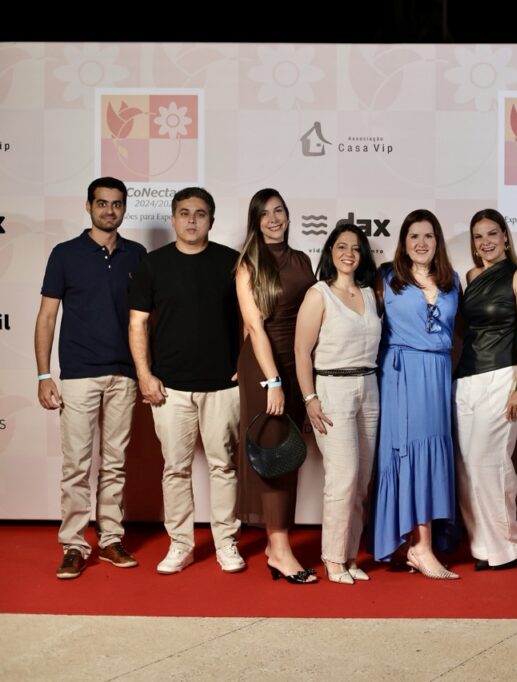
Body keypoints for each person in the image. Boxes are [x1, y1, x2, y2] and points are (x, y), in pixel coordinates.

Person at [128, 187, 245, 575]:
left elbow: (250, 320)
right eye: (184, 213)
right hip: (169, 386)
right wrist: (145, 375)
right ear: (173, 218)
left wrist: (244, 365)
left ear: (211, 220)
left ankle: (226, 542)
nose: (192, 220)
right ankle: (181, 544)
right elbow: (138, 323)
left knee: (223, 467)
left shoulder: (231, 262)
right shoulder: (152, 264)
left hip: (222, 385)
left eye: (200, 213)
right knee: (175, 468)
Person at [35, 176, 146, 579]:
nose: (109, 210)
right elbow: (47, 317)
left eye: (117, 204)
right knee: (77, 465)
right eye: (102, 203)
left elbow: (145, 320)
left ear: (124, 208)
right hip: (80, 373)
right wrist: (44, 374)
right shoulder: (65, 254)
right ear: (88, 206)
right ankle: (74, 544)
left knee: (115, 464)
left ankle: (111, 539)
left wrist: (146, 371)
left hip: (125, 374)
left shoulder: (137, 255)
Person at [372, 209, 461, 579]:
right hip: (402, 373)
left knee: (431, 452)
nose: (421, 243)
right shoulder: (386, 278)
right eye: (414, 236)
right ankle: (418, 547)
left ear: (437, 241)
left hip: (438, 373)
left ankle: (416, 544)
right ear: (403, 243)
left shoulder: (452, 280)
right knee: (406, 452)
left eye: (428, 236)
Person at [234, 188, 317, 584]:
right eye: (265, 213)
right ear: (256, 220)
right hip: (266, 368)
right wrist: (272, 381)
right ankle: (281, 550)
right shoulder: (248, 264)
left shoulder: (302, 260)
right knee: (271, 457)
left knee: (289, 454)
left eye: (279, 210)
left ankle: (275, 545)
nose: (273, 219)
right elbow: (253, 326)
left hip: (297, 364)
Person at [295, 223, 381, 585]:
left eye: (356, 248)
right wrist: (309, 398)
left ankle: (349, 555)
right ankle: (332, 559)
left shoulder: (370, 294)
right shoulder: (319, 294)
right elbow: (301, 351)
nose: (349, 253)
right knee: (342, 479)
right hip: (332, 388)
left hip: (369, 386)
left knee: (361, 482)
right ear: (330, 251)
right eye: (342, 246)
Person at [454, 209, 517, 571]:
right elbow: (464, 330)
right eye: (478, 237)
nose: (485, 242)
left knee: (489, 462)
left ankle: (507, 545)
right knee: (466, 467)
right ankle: (481, 546)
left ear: (505, 236)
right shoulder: (470, 277)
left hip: (503, 376)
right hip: (465, 379)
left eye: (492, 234)